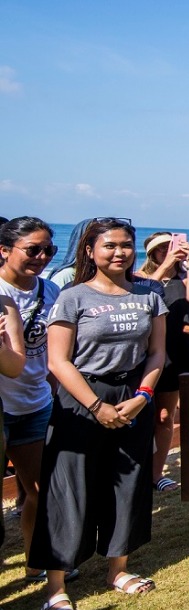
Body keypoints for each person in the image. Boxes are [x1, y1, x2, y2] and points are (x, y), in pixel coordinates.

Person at [33, 218, 168, 610]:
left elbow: (156, 353)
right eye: (109, 245)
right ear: (90, 251)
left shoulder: (149, 295)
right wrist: (96, 406)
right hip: (82, 399)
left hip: (133, 397)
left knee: (127, 484)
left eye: (126, 245)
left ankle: (118, 569)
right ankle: (56, 587)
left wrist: (143, 395)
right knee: (68, 488)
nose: (119, 252)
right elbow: (58, 361)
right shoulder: (72, 297)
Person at [0, 217, 64, 582]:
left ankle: (35, 562)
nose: (41, 257)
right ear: (4, 250)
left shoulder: (50, 291)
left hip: (35, 403)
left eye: (48, 250)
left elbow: (56, 353)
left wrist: (55, 391)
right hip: (2, 405)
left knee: (39, 489)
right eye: (33, 250)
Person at [135, 232, 189, 492]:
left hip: (178, 351)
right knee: (139, 416)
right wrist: (165, 266)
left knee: (165, 416)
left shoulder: (186, 277)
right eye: (162, 249)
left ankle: (156, 474)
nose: (168, 252)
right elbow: (140, 297)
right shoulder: (139, 278)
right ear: (151, 253)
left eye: (172, 247)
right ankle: (137, 472)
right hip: (145, 353)